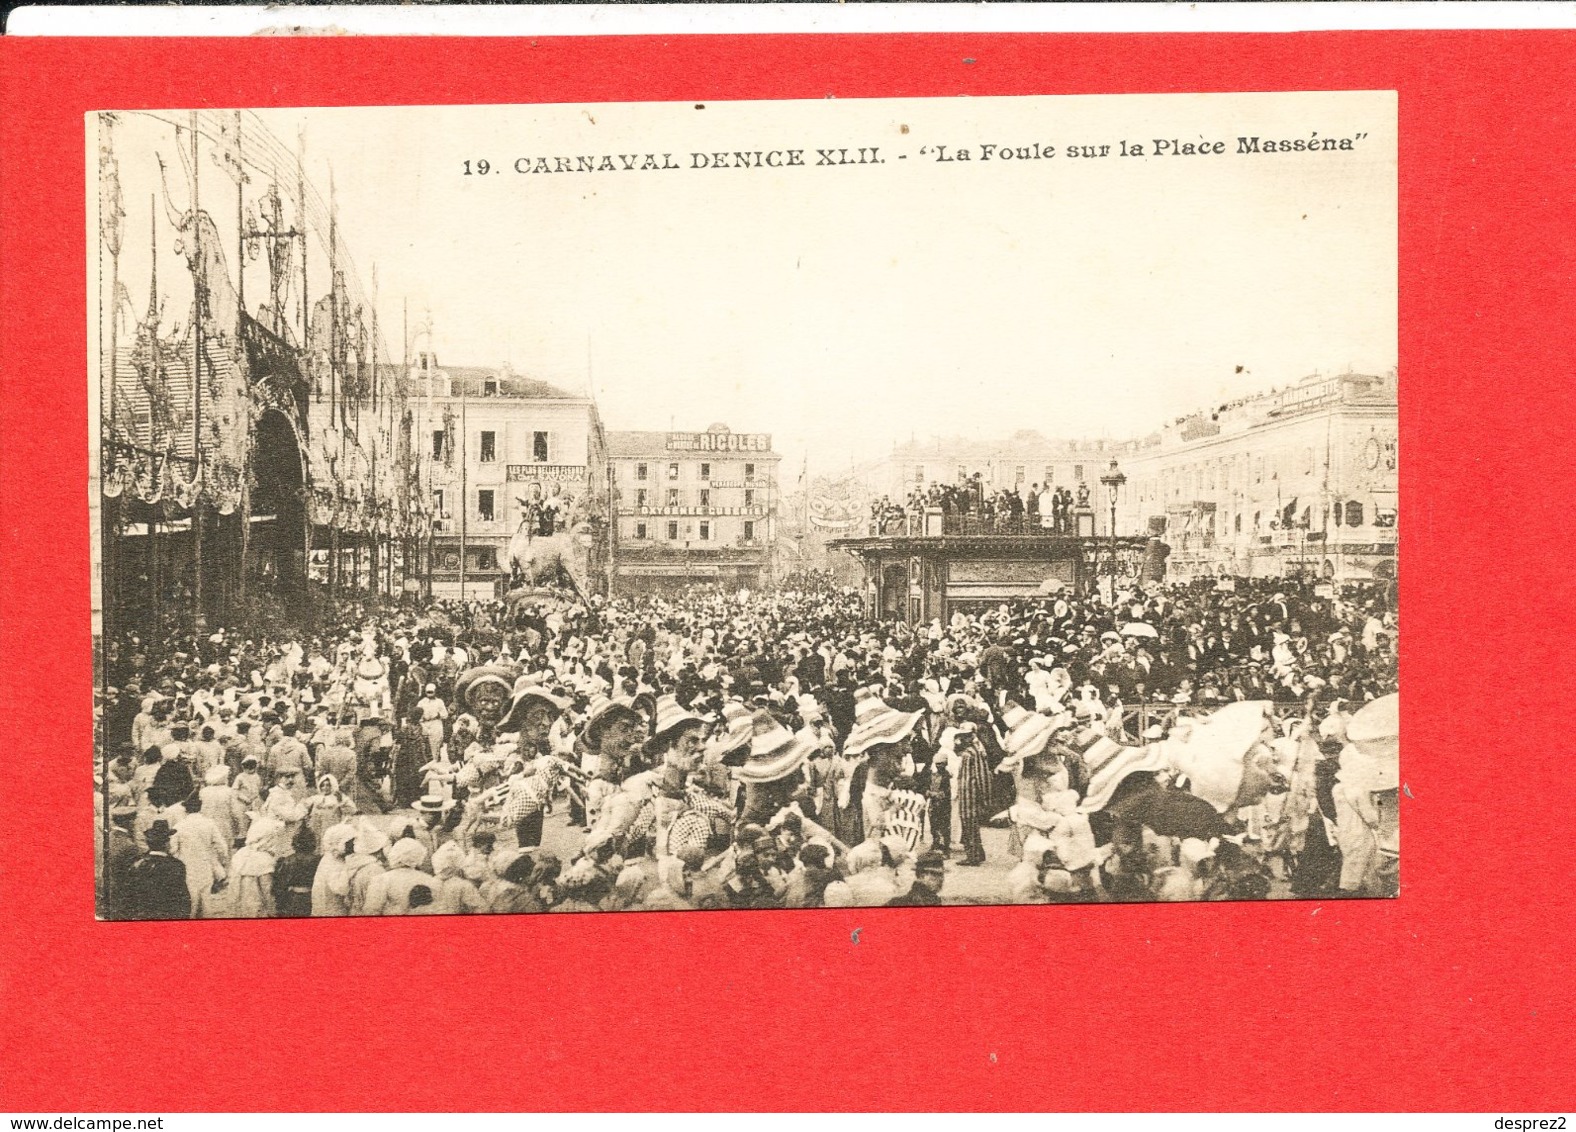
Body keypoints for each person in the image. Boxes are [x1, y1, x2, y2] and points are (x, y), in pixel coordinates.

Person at [122, 820, 191, 920]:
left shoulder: (138, 863)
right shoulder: (176, 866)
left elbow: (129, 898)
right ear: (166, 843)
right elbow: (183, 900)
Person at [272, 825, 322, 918]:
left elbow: (279, 887)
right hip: (314, 897)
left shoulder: (287, 860)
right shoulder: (319, 860)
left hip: (293, 899)